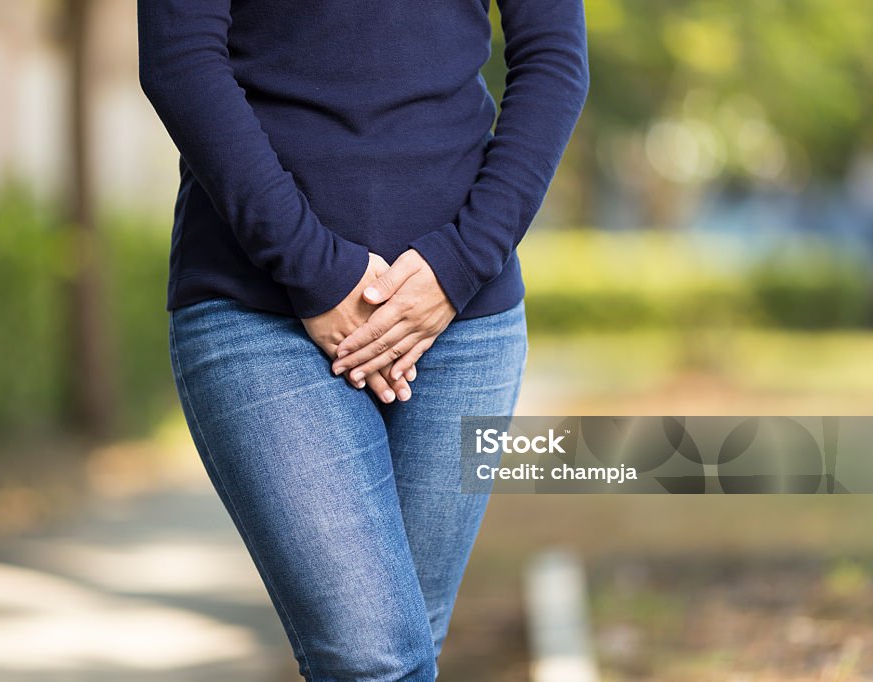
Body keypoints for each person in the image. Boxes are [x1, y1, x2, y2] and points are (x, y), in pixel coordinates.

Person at [138, 0, 588, 679]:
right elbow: (179, 59)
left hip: (464, 323)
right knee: (373, 658)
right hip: (260, 310)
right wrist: (313, 267)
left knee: (402, 649)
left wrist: (461, 263)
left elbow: (553, 58)